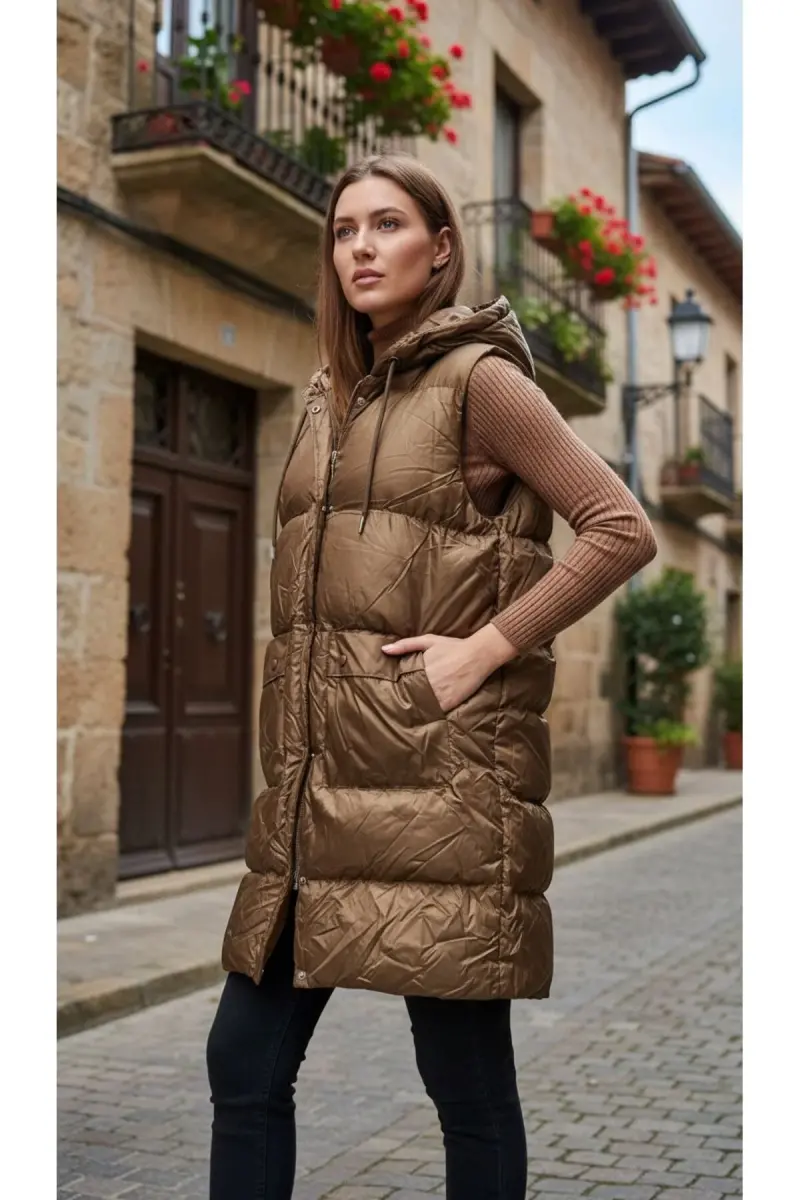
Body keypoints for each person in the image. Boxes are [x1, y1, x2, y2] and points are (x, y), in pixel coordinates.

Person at [206, 152, 657, 1200]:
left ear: (439, 247)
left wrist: (486, 646)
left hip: (441, 800)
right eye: (344, 230)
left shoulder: (480, 382)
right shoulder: (325, 398)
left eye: (387, 225)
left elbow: (619, 527)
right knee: (243, 1063)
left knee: (465, 1085)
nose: (360, 248)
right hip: (314, 806)